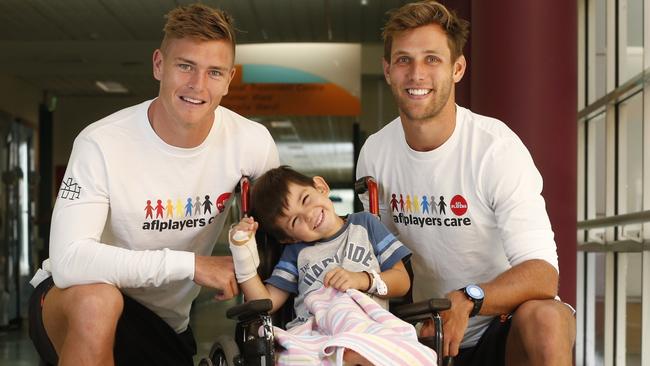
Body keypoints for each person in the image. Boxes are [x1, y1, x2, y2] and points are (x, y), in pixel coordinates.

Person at [27, 3, 279, 366]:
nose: (197, 85)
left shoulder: (251, 142)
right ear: (159, 64)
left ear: (229, 79)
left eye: (214, 72)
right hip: (72, 302)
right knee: (99, 301)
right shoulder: (101, 142)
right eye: (185, 66)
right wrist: (193, 265)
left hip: (167, 322)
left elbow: (282, 231)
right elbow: (69, 260)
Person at [356, 1, 576, 365]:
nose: (416, 74)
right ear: (387, 70)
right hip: (418, 333)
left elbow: (542, 274)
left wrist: (468, 299)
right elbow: (380, 262)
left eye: (432, 59)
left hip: (497, 328)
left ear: (457, 68)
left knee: (548, 318)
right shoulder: (376, 153)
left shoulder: (496, 149)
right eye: (404, 60)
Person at [228, 166, 434, 365]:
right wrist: (242, 254)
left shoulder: (365, 225)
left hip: (365, 324)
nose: (308, 215)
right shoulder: (297, 251)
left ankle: (349, 353)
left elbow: (402, 281)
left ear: (320, 187)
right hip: (314, 333)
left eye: (305, 199)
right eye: (294, 221)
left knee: (347, 308)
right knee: (286, 354)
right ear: (288, 239)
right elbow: (266, 302)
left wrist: (363, 279)